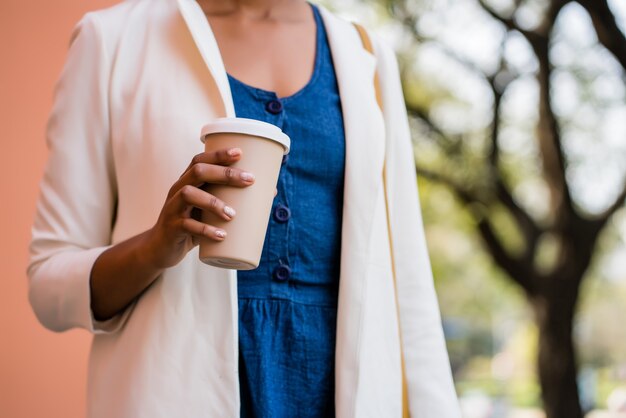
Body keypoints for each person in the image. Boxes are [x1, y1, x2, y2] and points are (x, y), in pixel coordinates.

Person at [26, 0, 461, 417]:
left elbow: (408, 283)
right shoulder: (112, 39)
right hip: (174, 394)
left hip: (340, 394)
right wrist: (154, 248)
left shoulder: (365, 54)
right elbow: (48, 283)